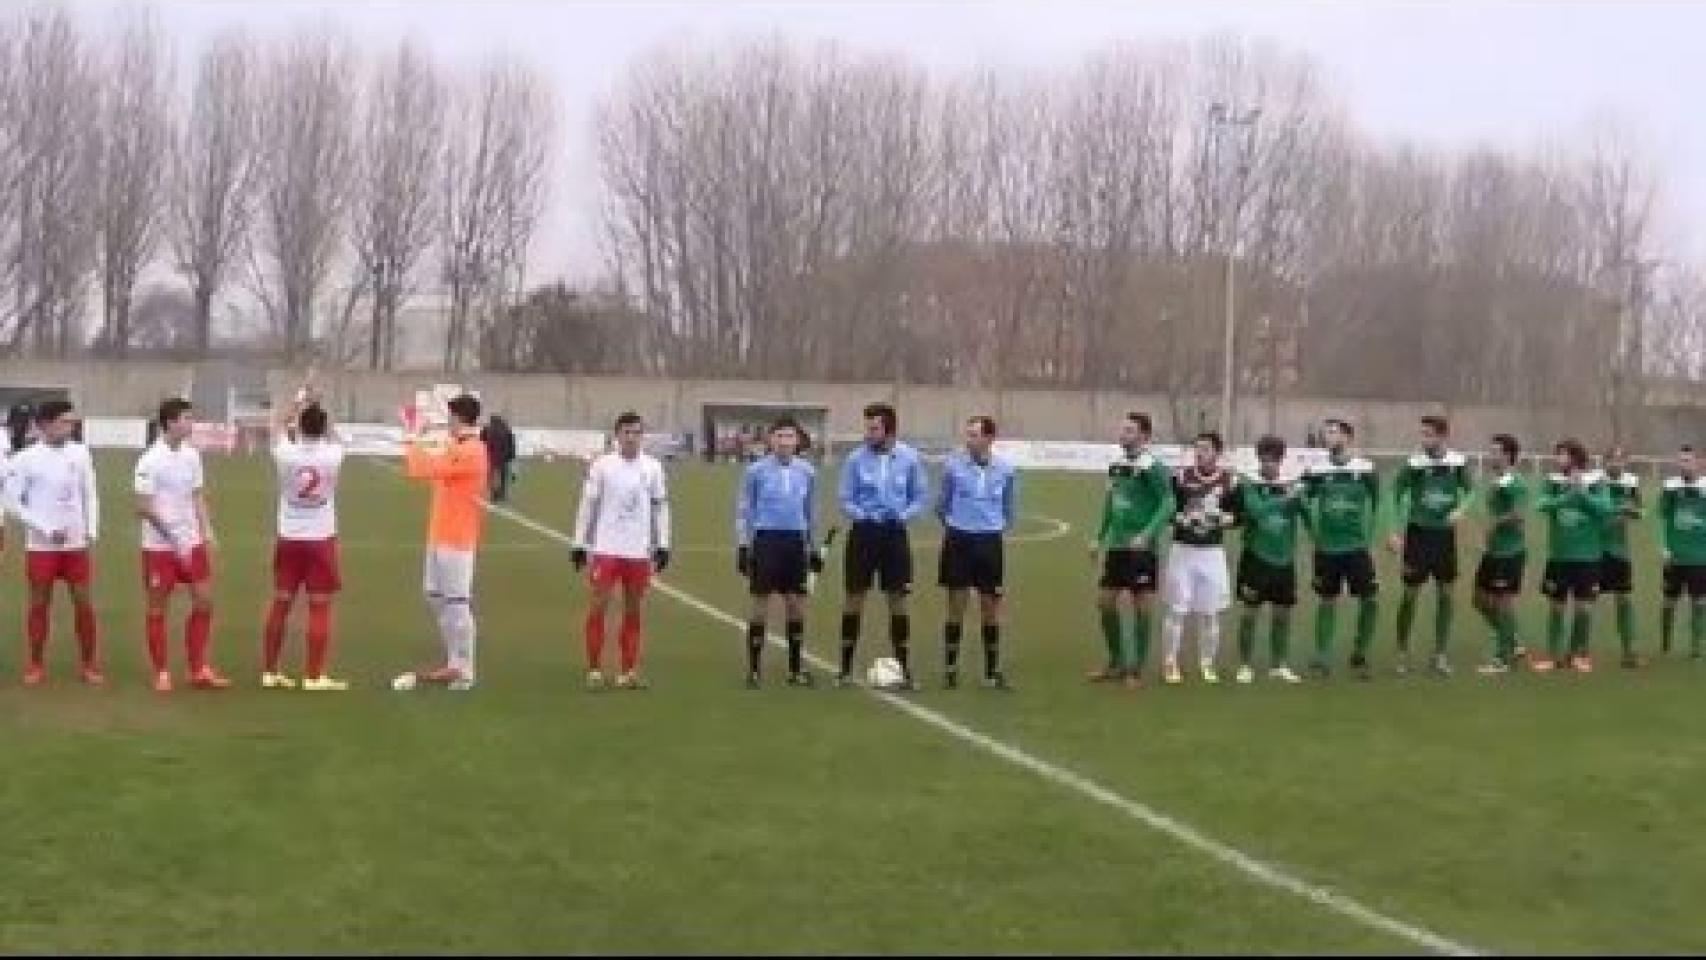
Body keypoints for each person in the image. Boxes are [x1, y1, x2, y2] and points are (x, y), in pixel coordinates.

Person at [134, 398, 230, 692]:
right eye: (186, 418)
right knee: (157, 608)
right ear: (170, 423)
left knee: (204, 601)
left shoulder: (192, 456)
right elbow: (143, 507)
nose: (191, 424)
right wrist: (172, 536)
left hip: (192, 543)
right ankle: (161, 671)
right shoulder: (150, 460)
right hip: (160, 548)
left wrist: (207, 529)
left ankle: (198, 668)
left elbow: (197, 494)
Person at [572, 411, 671, 691]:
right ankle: (594, 668)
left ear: (642, 436)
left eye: (636, 433)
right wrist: (579, 542)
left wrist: (663, 542)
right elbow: (587, 505)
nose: (631, 438)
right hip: (607, 549)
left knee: (633, 611)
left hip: (638, 551)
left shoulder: (652, 468)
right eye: (626, 432)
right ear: (617, 435)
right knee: (598, 607)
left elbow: (660, 506)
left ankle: (628, 671)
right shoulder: (603, 466)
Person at [4, 400, 101, 686]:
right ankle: (35, 664)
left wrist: (90, 529)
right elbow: (11, 503)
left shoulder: (80, 453)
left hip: (75, 545)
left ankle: (89, 664)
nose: (70, 427)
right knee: (39, 604)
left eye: (72, 422)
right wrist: (45, 528)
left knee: (83, 604)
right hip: (41, 547)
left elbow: (90, 492)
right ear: (45, 424)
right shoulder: (24, 459)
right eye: (64, 422)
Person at [260, 386, 348, 691]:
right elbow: (335, 434)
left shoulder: (286, 454)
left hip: (289, 535)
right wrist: (319, 404)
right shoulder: (332, 455)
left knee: (281, 603)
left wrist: (297, 401)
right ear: (322, 427)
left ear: (299, 426)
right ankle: (313, 676)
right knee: (319, 606)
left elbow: (275, 425)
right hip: (320, 536)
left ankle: (270, 671)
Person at [399, 393, 489, 691]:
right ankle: (455, 661)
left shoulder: (472, 451)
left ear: (460, 418)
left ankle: (465, 670)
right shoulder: (457, 446)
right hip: (440, 534)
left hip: (458, 539)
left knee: (457, 602)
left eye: (450, 416)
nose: (447, 422)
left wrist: (412, 437)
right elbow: (430, 462)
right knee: (435, 595)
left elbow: (421, 469)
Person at [837, 402, 928, 688]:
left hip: (894, 536)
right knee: (855, 598)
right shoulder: (855, 459)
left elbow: (920, 496)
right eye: (867, 427)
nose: (868, 432)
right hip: (864, 534)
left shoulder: (909, 458)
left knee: (898, 600)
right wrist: (862, 514)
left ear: (889, 429)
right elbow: (845, 497)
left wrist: (903, 515)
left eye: (873, 427)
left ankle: (904, 668)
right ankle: (845, 669)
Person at [1088, 412, 1174, 688]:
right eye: (1122, 429)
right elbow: (1111, 503)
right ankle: (1116, 661)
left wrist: (1147, 534)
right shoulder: (1116, 465)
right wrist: (1098, 538)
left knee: (1141, 607)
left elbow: (1169, 503)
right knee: (1105, 603)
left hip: (1142, 549)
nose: (1123, 434)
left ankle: (1135, 669)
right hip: (1117, 546)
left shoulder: (1153, 467)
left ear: (1144, 436)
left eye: (1130, 430)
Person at [734, 417, 820, 688]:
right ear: (771, 440)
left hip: (795, 541)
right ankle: (754, 670)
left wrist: (813, 546)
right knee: (760, 603)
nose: (784, 442)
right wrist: (742, 545)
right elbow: (744, 510)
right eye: (779, 436)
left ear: (797, 441)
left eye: (789, 437)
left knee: (795, 604)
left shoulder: (807, 471)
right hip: (766, 540)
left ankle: (795, 669)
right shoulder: (756, 471)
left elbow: (811, 511)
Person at [936, 415, 1018, 690]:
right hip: (958, 540)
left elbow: (1010, 510)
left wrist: (991, 527)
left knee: (990, 607)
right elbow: (942, 505)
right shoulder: (953, 466)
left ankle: (991, 672)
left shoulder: (1006, 470)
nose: (968, 439)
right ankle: (950, 668)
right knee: (956, 606)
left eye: (974, 434)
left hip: (989, 542)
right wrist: (959, 525)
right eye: (967, 434)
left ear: (989, 438)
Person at [1389, 416, 1472, 676]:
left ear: (1442, 436)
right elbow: (1395, 492)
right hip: (1418, 535)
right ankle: (1402, 651)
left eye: (1428, 435)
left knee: (1446, 595)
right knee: (1409, 596)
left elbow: (1471, 491)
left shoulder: (1457, 463)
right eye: (1422, 434)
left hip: (1444, 537)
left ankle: (1440, 654)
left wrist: (1460, 509)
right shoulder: (1414, 464)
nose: (1424, 440)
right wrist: (1393, 529)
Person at [1300, 418, 1381, 680]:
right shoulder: (1317, 469)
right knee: (1327, 600)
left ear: (1348, 437)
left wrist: (1373, 537)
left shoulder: (1366, 469)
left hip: (1357, 546)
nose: (1328, 437)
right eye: (1326, 433)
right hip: (1327, 548)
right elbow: (1302, 499)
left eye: (1333, 433)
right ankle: (1323, 655)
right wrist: (1313, 533)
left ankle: (1361, 651)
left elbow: (1380, 502)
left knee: (1370, 600)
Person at [1161, 431, 1237, 685]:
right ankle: (1170, 662)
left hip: (1212, 553)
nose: (1200, 453)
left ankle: (1207, 663)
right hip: (1183, 550)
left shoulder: (1229, 481)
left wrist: (1223, 520)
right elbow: (1168, 508)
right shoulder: (1180, 477)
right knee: (1177, 610)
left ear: (1217, 452)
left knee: (1210, 613)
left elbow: (1239, 515)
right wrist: (1181, 519)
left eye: (1205, 449)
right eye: (1197, 448)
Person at [1229, 435, 1305, 684]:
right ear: (1258, 458)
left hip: (1284, 558)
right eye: (1264, 459)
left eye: (1274, 460)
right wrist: (1286, 498)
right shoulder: (1250, 484)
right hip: (1256, 557)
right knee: (1249, 615)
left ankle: (1278, 665)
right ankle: (1245, 665)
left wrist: (1304, 497)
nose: (1268, 464)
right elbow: (1257, 511)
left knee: (1282, 615)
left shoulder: (1291, 483)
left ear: (1281, 460)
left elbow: (1305, 512)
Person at [1533, 439, 1611, 673]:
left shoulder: (1597, 481)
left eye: (1563, 455)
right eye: (1558, 455)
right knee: (1556, 608)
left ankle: (1579, 654)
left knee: (1583, 609)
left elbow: (1605, 509)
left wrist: (1583, 494)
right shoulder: (1553, 481)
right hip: (1559, 556)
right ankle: (1553, 656)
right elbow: (1541, 504)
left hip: (1587, 557)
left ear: (1576, 458)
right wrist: (1567, 497)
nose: (1558, 460)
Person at [1472, 434, 1529, 675]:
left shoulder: (1515, 482)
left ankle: (1502, 659)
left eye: (1495, 451)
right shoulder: (1498, 480)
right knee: (1479, 599)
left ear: (1507, 454)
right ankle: (1513, 641)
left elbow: (1519, 515)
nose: (1490, 455)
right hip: (1493, 551)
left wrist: (1496, 523)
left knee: (1504, 601)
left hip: (1509, 551)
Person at [1599, 446, 1645, 667]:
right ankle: (1578, 652)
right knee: (1584, 600)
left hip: (1619, 552)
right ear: (1605, 462)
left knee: (1624, 600)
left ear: (1625, 463)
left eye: (1620, 460)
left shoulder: (1631, 483)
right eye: (1612, 460)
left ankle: (1629, 651)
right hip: (1595, 550)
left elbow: (1641, 511)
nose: (1616, 464)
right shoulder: (1595, 481)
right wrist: (1613, 513)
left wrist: (1629, 510)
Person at [1658, 445, 1706, 658]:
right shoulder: (1670, 487)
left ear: (1699, 463)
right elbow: (1662, 518)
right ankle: (1665, 645)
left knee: (1699, 602)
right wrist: (1664, 546)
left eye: (1687, 460)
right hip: (1675, 556)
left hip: (1700, 557)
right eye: (1680, 461)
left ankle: (1696, 646)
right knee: (1669, 601)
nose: (1683, 465)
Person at [482, 415, 517, 503]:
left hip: (490, 457)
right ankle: (501, 494)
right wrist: (511, 456)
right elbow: (511, 444)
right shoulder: (506, 430)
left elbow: (482, 441)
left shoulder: (487, 429)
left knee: (491, 476)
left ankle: (493, 494)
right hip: (503, 457)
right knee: (502, 477)